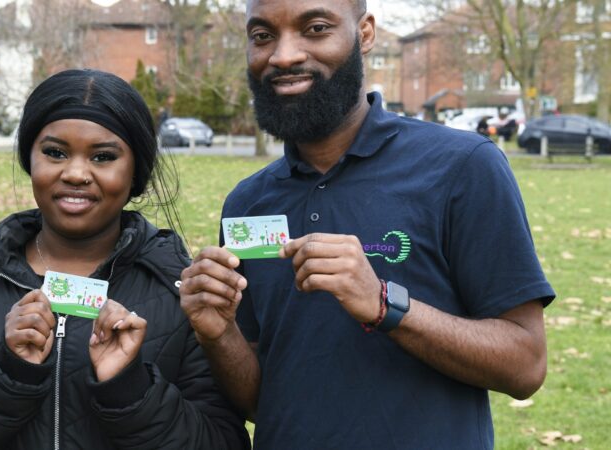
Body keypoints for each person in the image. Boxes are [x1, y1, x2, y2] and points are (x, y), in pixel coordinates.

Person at [179, 0, 555, 448]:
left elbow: (525, 366)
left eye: (315, 28)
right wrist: (220, 334)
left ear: (366, 34)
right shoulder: (247, 203)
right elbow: (264, 401)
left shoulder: (462, 167)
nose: (283, 55)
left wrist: (384, 305)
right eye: (262, 36)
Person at [0, 69, 250, 450]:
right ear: (30, 159)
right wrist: (5, 373)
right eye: (55, 153)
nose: (76, 173)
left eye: (103, 156)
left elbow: (224, 442)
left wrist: (130, 388)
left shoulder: (183, 293)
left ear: (135, 173)